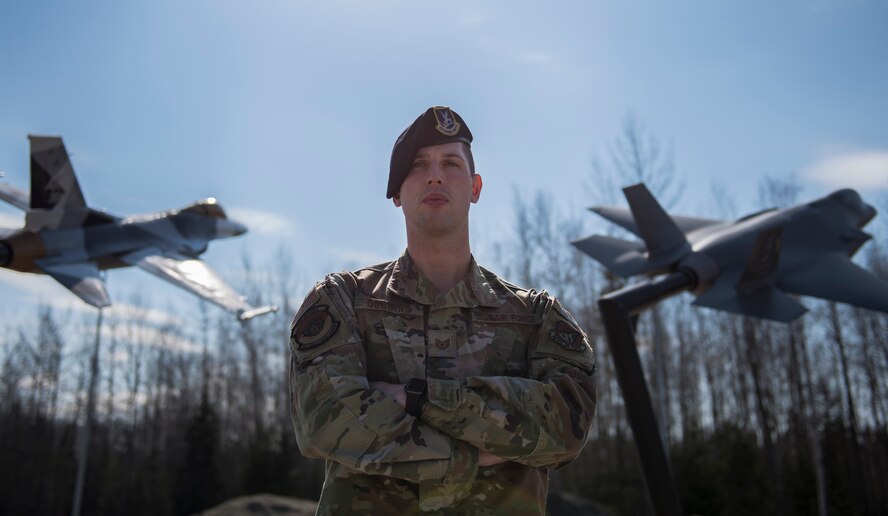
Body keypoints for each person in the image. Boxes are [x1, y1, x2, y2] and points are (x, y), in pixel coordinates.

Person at [289, 106, 597, 515]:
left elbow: (566, 427)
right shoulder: (344, 300)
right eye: (418, 165)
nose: (435, 175)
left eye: (451, 163)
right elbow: (325, 420)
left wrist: (412, 399)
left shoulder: (535, 317)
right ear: (397, 192)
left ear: (475, 186)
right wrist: (479, 451)